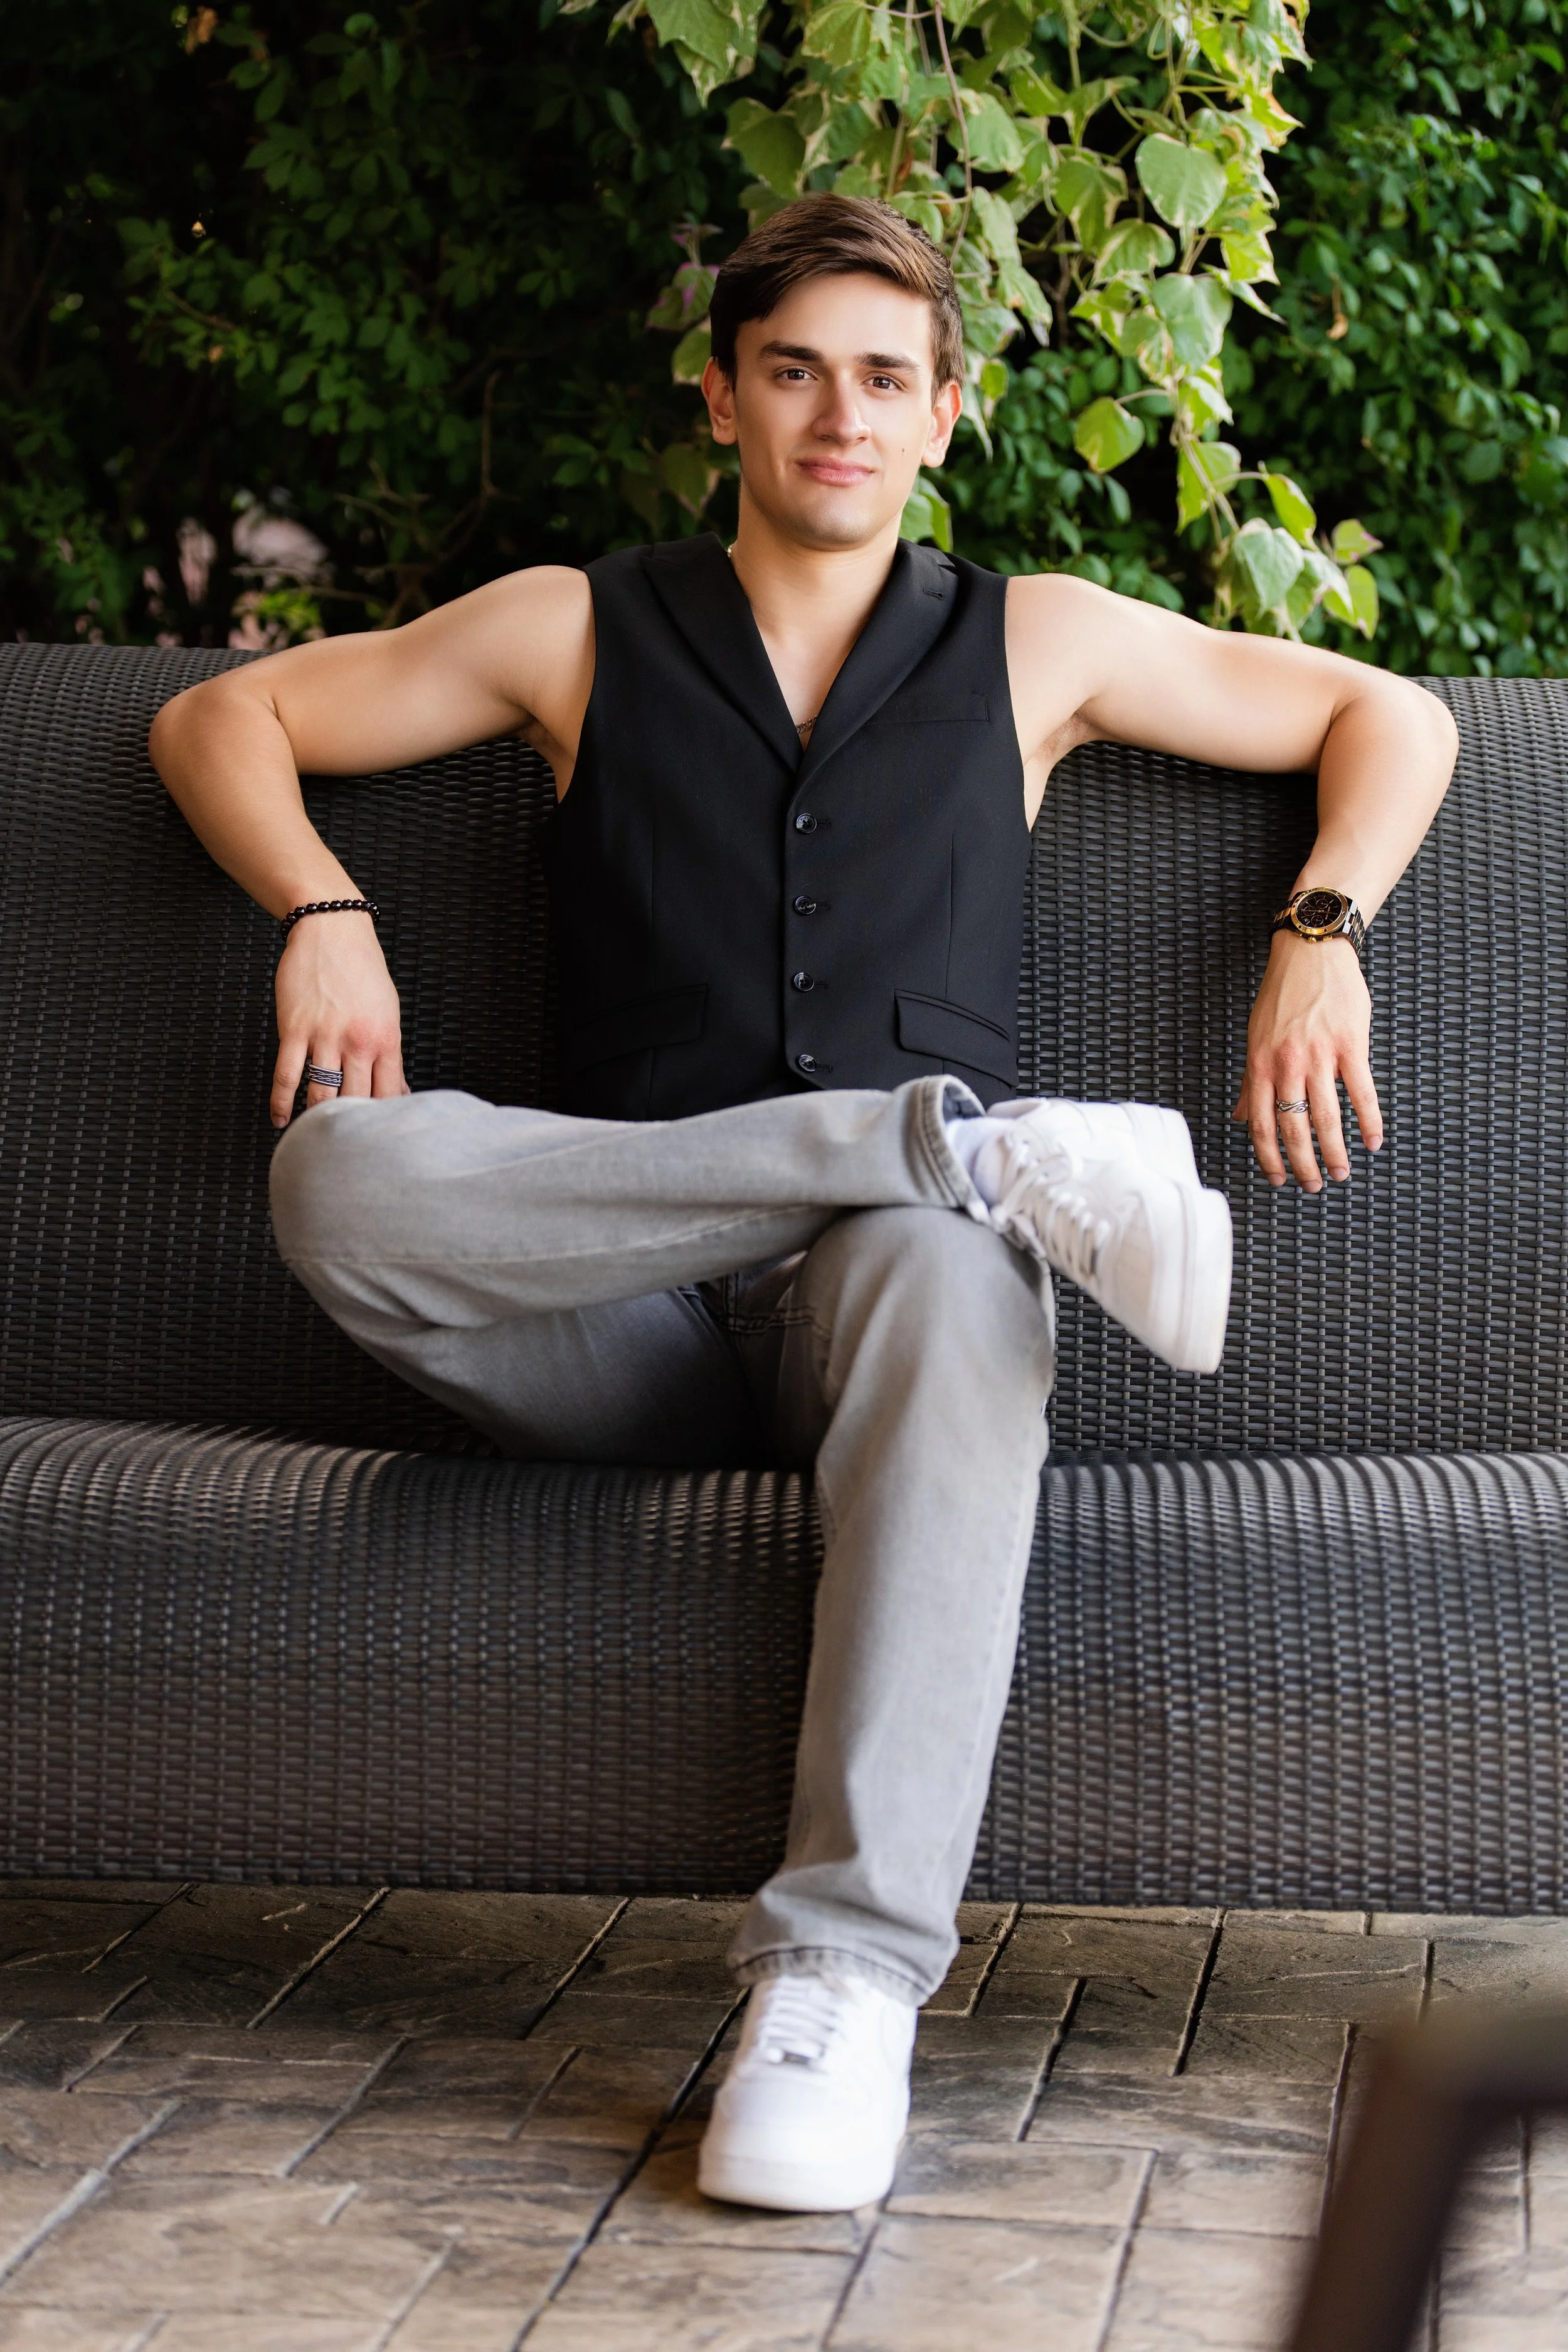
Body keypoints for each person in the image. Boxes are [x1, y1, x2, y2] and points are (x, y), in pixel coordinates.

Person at [149, 194, 1456, 2216]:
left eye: (879, 377)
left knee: (952, 1273)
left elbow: (1395, 712)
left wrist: (1320, 927)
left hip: (887, 1307)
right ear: (723, 399)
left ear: (945, 412)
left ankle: (839, 1979)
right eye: (790, 371)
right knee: (339, 1171)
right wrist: (323, 910)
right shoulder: (574, 625)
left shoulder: (1037, 642)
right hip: (627, 1308)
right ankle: (945, 1134)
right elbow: (215, 714)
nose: (835, 415)